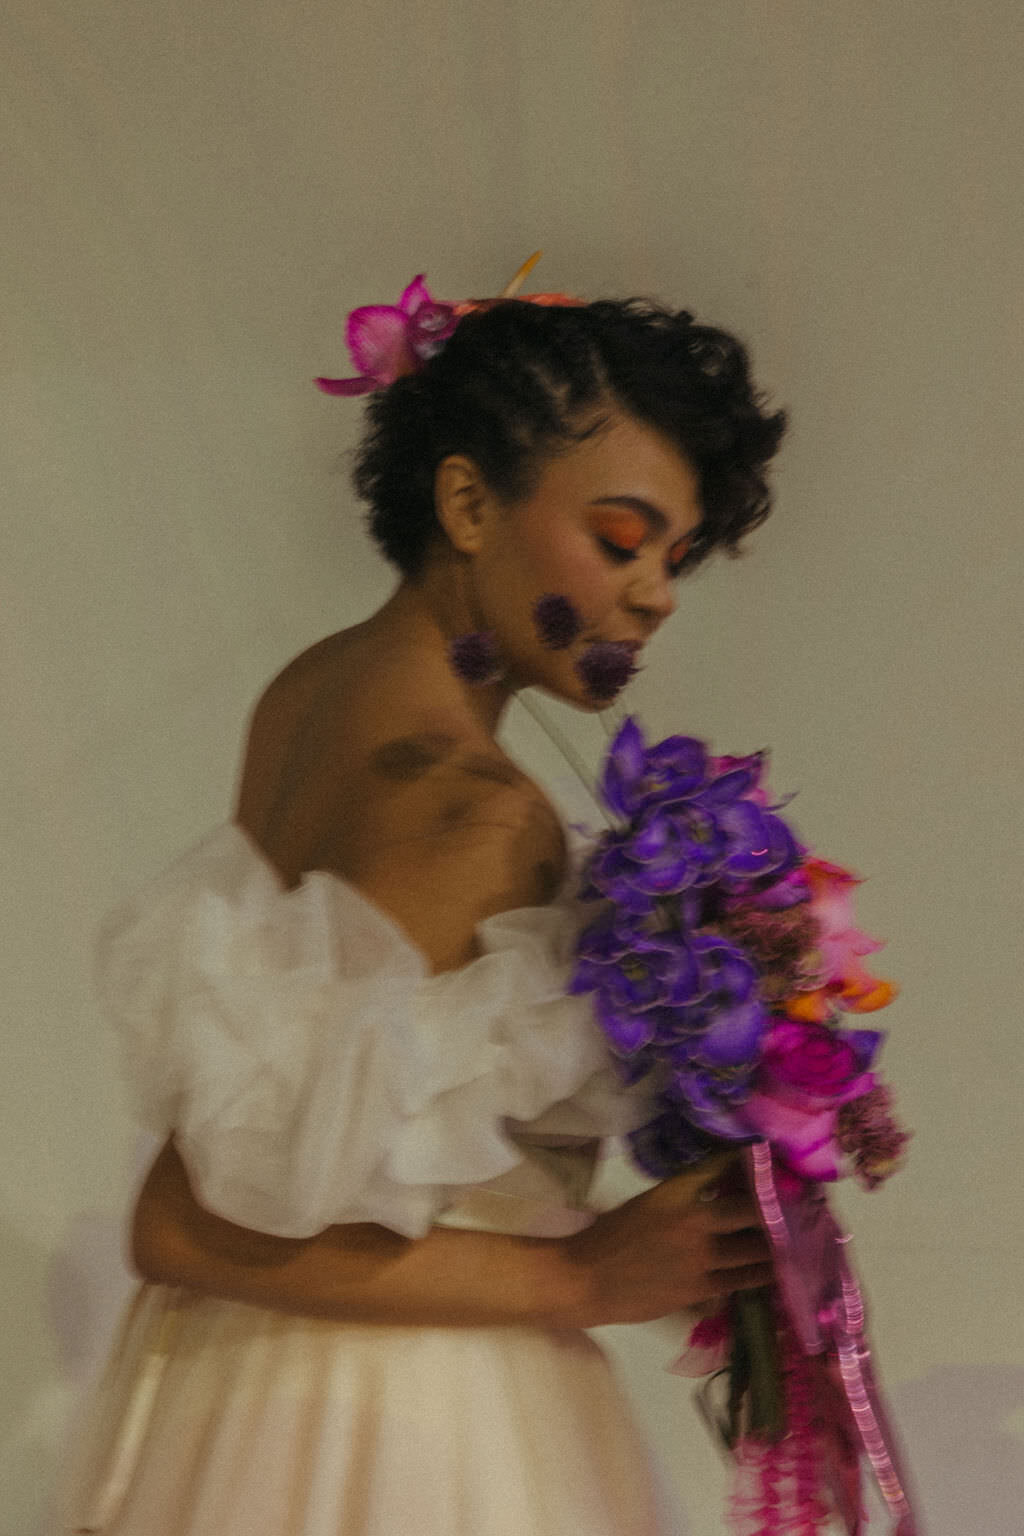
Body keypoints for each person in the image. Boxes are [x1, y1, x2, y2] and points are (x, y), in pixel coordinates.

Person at [60, 289, 787, 1535]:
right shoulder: (467, 805)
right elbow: (186, 1219)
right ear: (465, 506)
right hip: (402, 1423)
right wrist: (577, 1271)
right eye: (620, 541)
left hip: (241, 1396)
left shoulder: (314, 694)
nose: (657, 594)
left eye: (675, 556)